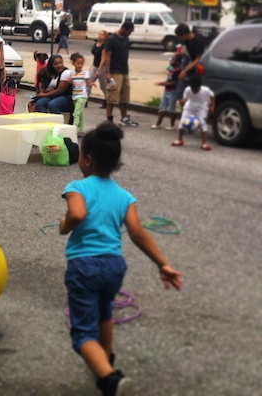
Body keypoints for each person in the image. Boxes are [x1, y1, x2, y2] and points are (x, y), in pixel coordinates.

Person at [60, 122, 183, 396]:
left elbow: (77, 215)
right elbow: (138, 234)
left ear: (88, 159)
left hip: (85, 267)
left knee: (81, 334)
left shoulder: (77, 187)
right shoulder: (124, 195)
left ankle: (110, 378)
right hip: (114, 267)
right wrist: (163, 263)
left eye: (80, 154)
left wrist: (65, 224)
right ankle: (106, 359)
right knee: (104, 312)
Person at [104, 21, 138, 127]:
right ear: (125, 29)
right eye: (130, 31)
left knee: (124, 96)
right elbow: (108, 56)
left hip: (124, 70)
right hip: (115, 71)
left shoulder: (125, 38)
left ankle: (124, 118)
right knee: (112, 97)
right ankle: (109, 119)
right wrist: (108, 73)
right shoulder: (112, 39)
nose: (130, 34)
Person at [171, 75, 215, 150]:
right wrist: (182, 102)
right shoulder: (187, 89)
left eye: (196, 88)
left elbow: (212, 96)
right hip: (190, 106)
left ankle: (204, 143)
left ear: (199, 86)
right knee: (182, 122)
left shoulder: (205, 90)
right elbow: (185, 99)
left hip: (201, 107)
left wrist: (212, 105)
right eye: (192, 88)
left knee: (203, 123)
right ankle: (180, 140)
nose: (194, 90)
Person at [174, 23, 206, 99]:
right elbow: (185, 52)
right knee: (180, 97)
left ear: (185, 34)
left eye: (180, 37)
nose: (179, 39)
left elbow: (198, 59)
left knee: (190, 97)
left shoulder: (197, 42)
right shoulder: (185, 41)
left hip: (193, 74)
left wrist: (186, 69)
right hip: (183, 72)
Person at [151, 54, 182, 130]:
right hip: (166, 91)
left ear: (178, 62)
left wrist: (161, 84)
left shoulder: (178, 71)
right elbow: (168, 80)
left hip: (173, 92)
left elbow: (174, 82)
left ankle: (172, 125)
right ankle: (158, 123)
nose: (171, 61)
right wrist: (163, 83)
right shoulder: (171, 70)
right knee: (162, 108)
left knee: (172, 109)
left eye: (173, 60)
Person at [69, 54, 94, 138]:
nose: (80, 65)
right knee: (81, 113)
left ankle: (73, 130)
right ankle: (82, 130)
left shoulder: (85, 73)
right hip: (75, 95)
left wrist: (91, 83)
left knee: (76, 114)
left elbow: (88, 82)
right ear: (73, 63)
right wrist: (70, 81)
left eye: (81, 63)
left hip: (82, 96)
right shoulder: (71, 73)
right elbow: (71, 83)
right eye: (78, 63)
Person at [90, 30, 108, 108]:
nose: (100, 36)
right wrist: (92, 67)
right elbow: (95, 57)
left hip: (102, 67)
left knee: (103, 85)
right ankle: (85, 99)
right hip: (94, 66)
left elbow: (103, 59)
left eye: (102, 35)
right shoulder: (96, 44)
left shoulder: (104, 46)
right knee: (88, 81)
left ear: (105, 37)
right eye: (99, 34)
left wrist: (99, 70)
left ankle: (107, 101)